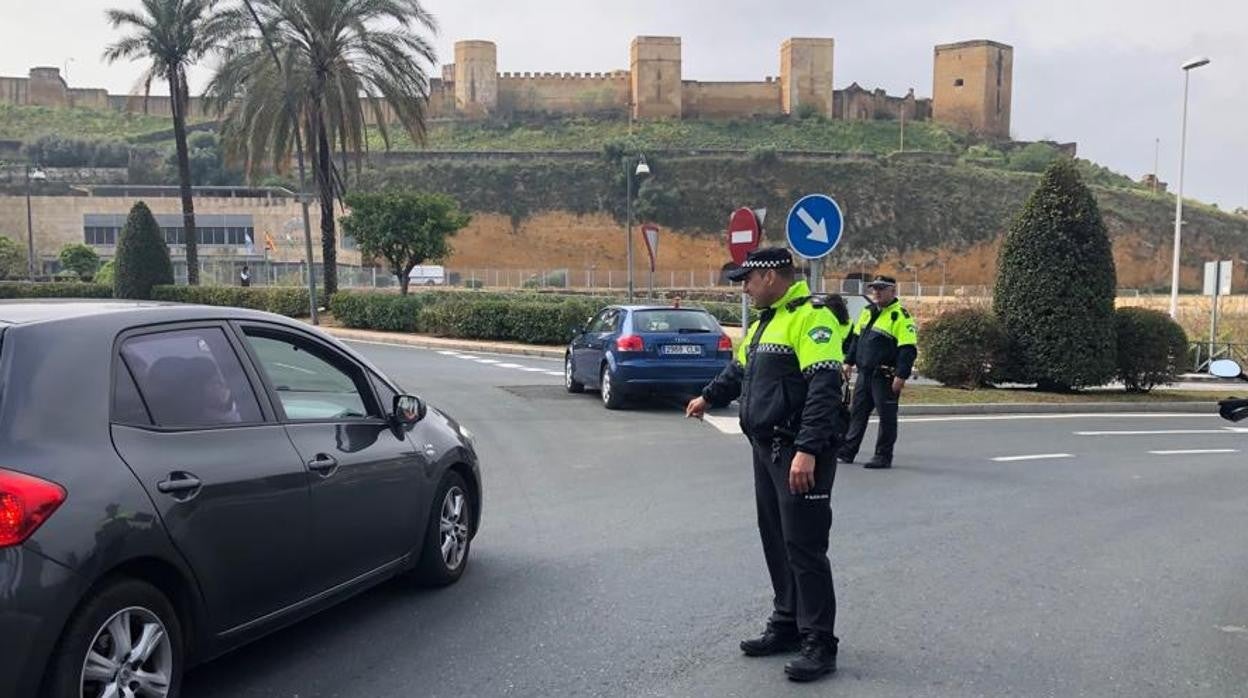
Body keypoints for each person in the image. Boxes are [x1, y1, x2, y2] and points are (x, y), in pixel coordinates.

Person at [685, 247, 847, 682]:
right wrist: (708, 397)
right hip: (766, 449)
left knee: (805, 546)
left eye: (748, 280)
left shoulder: (813, 317)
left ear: (772, 276)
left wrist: (809, 449)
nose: (745, 287)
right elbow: (739, 373)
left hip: (799, 451)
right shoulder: (764, 322)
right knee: (776, 540)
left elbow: (825, 386)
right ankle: (788, 623)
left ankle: (819, 641)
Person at [839, 275, 918, 469]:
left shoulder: (900, 316)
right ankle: (848, 450)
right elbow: (856, 340)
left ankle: (883, 455)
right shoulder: (868, 312)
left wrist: (901, 375)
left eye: (882, 288)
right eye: (874, 288)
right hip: (865, 374)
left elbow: (908, 349)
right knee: (857, 413)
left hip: (885, 376)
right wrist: (848, 362)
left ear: (893, 291)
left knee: (887, 416)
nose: (877, 292)